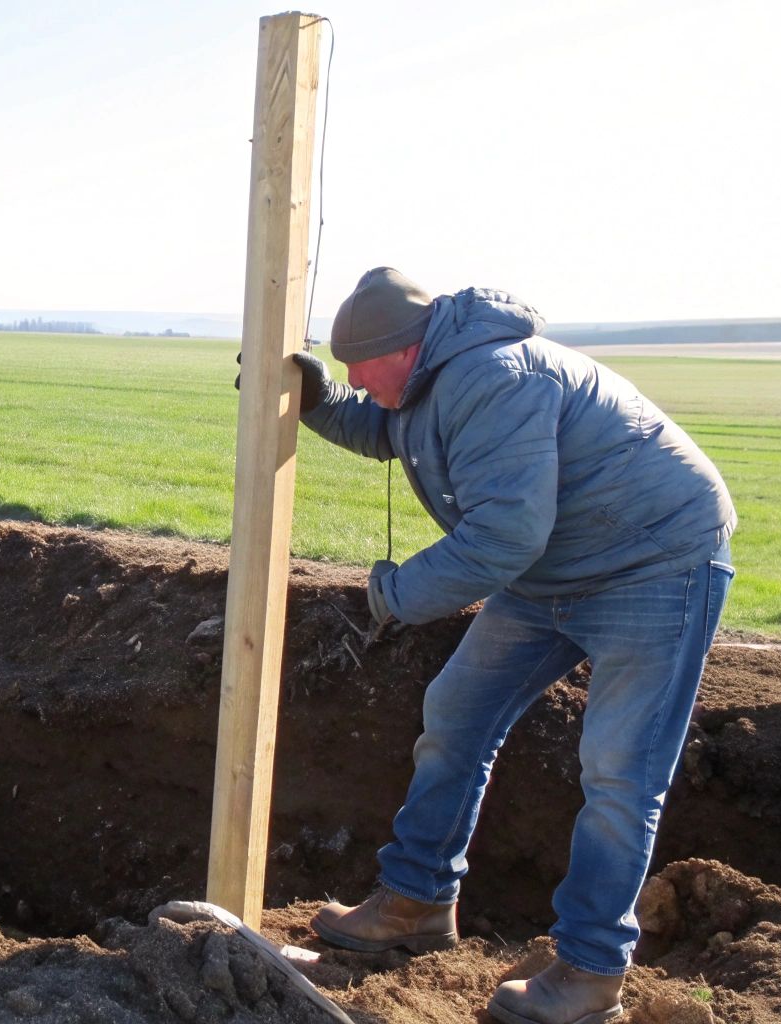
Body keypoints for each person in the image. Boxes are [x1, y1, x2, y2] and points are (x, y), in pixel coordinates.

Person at [290, 268, 735, 1024]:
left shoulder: (492, 375)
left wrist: (398, 593)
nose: (359, 381)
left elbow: (503, 536)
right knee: (456, 712)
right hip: (552, 569)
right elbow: (386, 428)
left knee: (619, 775)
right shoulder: (425, 380)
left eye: (362, 367)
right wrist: (320, 399)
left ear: (407, 347)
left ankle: (591, 975)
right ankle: (415, 905)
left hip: (652, 562)